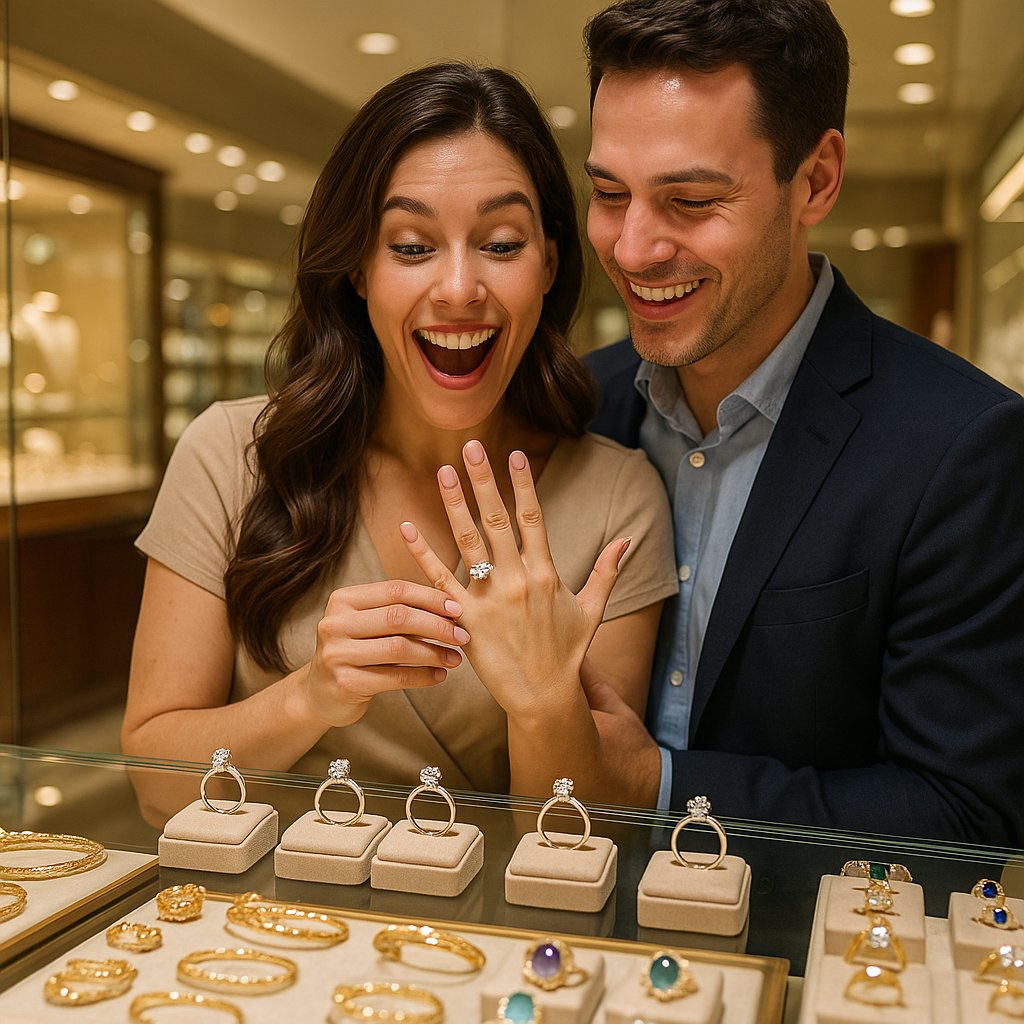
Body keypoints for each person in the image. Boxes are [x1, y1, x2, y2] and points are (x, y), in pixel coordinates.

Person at [121, 62, 677, 805]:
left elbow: (586, 840)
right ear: (357, 267)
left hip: (496, 926)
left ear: (549, 260)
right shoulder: (230, 455)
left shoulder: (618, 498)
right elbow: (156, 785)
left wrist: (546, 702)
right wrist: (309, 696)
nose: (456, 288)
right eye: (412, 246)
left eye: (502, 244)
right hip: (258, 919)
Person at [579, 0, 1024, 845]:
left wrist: (657, 784)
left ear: (816, 179)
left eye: (692, 199)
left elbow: (963, 816)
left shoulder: (964, 447)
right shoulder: (576, 403)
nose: (633, 248)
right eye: (609, 193)